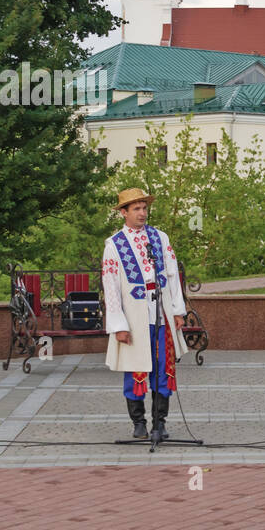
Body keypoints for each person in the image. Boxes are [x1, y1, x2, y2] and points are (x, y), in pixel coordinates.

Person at [102, 187, 188, 441]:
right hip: (133, 316)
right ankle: (138, 422)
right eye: (136, 208)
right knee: (136, 367)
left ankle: (159, 423)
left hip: (159, 311)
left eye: (144, 208)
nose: (142, 213)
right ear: (123, 213)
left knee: (164, 368)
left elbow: (172, 275)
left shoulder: (159, 238)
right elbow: (111, 286)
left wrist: (177, 310)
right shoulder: (114, 245)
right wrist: (118, 324)